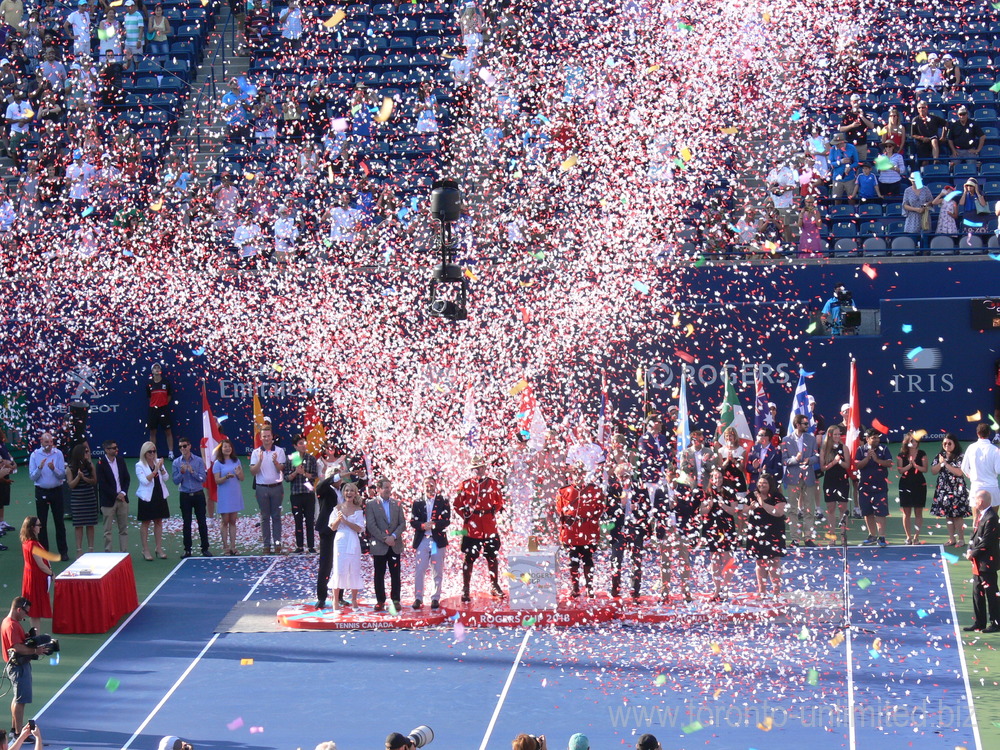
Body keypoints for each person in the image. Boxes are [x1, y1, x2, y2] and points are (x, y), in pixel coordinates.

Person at [454, 456, 505, 602]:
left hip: (489, 525)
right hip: (472, 526)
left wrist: (490, 514)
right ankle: (466, 588)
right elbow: (457, 504)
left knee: (492, 556)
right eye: (474, 468)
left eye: (480, 467)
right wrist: (466, 516)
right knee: (469, 558)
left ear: (484, 468)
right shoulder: (464, 485)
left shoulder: (493, 483)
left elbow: (499, 502)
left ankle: (494, 585)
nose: (477, 470)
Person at [2, 597, 54, 736]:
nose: (26, 615)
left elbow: (19, 642)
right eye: (25, 612)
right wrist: (35, 651)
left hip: (16, 666)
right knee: (21, 701)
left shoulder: (10, 622)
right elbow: (17, 647)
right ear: (19, 609)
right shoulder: (12, 625)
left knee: (17, 698)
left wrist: (29, 637)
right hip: (18, 667)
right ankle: (19, 733)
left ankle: (15, 729)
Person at [605, 463, 655, 599]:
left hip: (635, 530)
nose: (623, 479)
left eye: (626, 476)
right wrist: (621, 505)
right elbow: (608, 510)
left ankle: (635, 590)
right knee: (616, 560)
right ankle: (615, 589)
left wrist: (637, 507)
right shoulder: (613, 489)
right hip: (619, 531)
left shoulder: (640, 487)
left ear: (631, 475)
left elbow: (648, 507)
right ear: (616, 476)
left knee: (636, 561)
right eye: (620, 476)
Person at [555, 463, 605, 598]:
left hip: (588, 530)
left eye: (580, 473)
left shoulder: (594, 490)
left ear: (584, 474)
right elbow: (560, 510)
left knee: (588, 559)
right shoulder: (564, 491)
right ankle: (575, 587)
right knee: (573, 560)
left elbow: (599, 509)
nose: (578, 476)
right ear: (571, 475)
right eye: (575, 473)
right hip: (571, 531)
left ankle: (589, 587)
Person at [410, 475, 450, 610]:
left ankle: (435, 598)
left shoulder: (443, 501)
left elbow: (446, 520)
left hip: (437, 541)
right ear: (423, 486)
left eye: (431, 484)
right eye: (426, 484)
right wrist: (422, 526)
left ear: (436, 485)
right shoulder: (417, 502)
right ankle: (418, 597)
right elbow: (413, 521)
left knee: (437, 570)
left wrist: (433, 525)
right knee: (420, 570)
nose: (429, 487)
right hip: (422, 540)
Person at [365, 478, 404, 612]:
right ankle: (380, 600)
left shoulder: (397, 504)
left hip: (395, 544)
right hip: (379, 545)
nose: (388, 490)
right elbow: (370, 525)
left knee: (395, 574)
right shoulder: (371, 504)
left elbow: (402, 524)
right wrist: (384, 538)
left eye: (389, 487)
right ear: (379, 489)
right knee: (379, 574)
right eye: (385, 487)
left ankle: (396, 600)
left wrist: (393, 537)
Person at [698, 469, 738, 601]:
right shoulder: (707, 493)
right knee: (714, 560)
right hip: (712, 528)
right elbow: (701, 511)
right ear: (711, 479)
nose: (717, 480)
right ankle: (716, 590)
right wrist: (708, 507)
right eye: (715, 478)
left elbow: (734, 510)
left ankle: (725, 589)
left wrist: (723, 506)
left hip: (726, 528)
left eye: (720, 478)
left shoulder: (729, 492)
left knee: (727, 558)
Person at [964, 490, 1000, 633]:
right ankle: (979, 622)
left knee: (991, 593)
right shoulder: (982, 516)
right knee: (977, 592)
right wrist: (969, 549)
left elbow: (987, 541)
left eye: (976, 499)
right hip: (979, 563)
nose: (974, 502)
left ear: (981, 502)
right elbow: (975, 537)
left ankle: (996, 623)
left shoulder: (991, 517)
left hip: (987, 563)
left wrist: (973, 553)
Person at [746, 474, 786, 597]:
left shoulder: (777, 497)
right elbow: (743, 511)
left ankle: (776, 592)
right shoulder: (752, 496)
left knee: (774, 561)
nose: (761, 485)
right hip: (757, 532)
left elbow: (778, 512)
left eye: (765, 483)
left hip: (774, 532)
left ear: (770, 485)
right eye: (760, 483)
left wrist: (762, 503)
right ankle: (761, 591)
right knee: (760, 562)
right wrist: (750, 508)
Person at [28, 433, 67, 562]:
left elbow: (62, 476)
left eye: (51, 442)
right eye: (46, 442)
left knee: (59, 522)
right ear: (41, 442)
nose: (49, 445)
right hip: (41, 491)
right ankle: (45, 553)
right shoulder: (34, 455)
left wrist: (53, 468)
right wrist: (40, 467)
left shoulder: (58, 454)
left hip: (57, 491)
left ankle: (63, 552)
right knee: (41, 523)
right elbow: (33, 477)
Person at [781, 414, 818, 546]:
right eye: (805, 424)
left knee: (809, 508)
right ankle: (795, 538)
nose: (807, 426)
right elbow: (784, 460)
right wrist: (795, 459)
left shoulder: (811, 438)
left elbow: (816, 456)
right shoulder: (786, 440)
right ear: (797, 425)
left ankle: (808, 537)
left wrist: (810, 460)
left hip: (808, 477)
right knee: (792, 509)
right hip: (793, 478)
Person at [249, 426, 286, 554]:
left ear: (272, 437)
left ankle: (277, 544)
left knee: (276, 517)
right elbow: (253, 472)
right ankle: (266, 546)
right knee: (264, 517)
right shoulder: (255, 452)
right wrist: (260, 460)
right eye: (264, 436)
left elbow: (281, 469)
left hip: (276, 488)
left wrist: (275, 462)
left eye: (268, 436)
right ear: (260, 438)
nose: (266, 438)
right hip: (261, 488)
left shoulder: (280, 451)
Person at [172, 437, 210, 558]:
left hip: (198, 494)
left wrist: (192, 471)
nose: (182, 449)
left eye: (184, 446)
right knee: (186, 523)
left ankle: (205, 548)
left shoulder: (198, 461)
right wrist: (182, 473)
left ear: (189, 446)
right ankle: (187, 549)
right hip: (185, 495)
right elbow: (175, 480)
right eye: (180, 447)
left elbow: (203, 479)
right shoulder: (176, 462)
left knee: (202, 522)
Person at [19, 518, 59, 631]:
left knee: (33, 610)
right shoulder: (33, 544)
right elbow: (40, 564)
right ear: (32, 527)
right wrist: (52, 574)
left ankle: (35, 634)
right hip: (35, 579)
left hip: (30, 577)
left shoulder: (27, 542)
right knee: (35, 610)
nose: (40, 526)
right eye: (38, 525)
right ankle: (36, 636)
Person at [931, 434, 970, 546]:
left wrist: (945, 464)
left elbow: (959, 472)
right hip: (943, 489)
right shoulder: (940, 456)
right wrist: (940, 463)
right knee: (948, 515)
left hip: (957, 489)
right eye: (945, 443)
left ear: (954, 444)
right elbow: (933, 471)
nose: (947, 445)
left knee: (958, 515)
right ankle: (952, 539)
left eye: (949, 443)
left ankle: (961, 539)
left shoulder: (960, 456)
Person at [855, 429, 893, 547]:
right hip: (865, 487)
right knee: (867, 512)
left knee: (880, 512)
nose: (876, 439)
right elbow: (857, 465)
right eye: (873, 437)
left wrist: (877, 460)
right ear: (867, 439)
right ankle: (872, 535)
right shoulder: (861, 450)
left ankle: (881, 537)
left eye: (877, 437)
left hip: (880, 486)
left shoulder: (884, 449)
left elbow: (890, 463)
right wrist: (867, 459)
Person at [331, 482, 366, 611]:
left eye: (351, 491)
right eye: (346, 491)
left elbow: (359, 528)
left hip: (353, 541)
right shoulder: (337, 508)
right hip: (340, 540)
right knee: (339, 569)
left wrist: (346, 521)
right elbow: (333, 527)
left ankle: (354, 599)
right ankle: (335, 600)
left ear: (355, 493)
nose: (349, 493)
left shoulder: (358, 510)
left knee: (354, 569)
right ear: (343, 493)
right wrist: (338, 520)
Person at [135, 441, 170, 561]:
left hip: (159, 494)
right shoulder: (139, 465)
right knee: (146, 523)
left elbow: (166, 478)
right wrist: (155, 470)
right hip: (147, 497)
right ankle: (145, 549)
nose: (152, 453)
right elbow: (145, 481)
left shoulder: (158, 462)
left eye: (154, 451)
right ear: (144, 453)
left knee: (159, 521)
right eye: (150, 451)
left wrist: (161, 469)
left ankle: (159, 548)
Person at [284, 434, 318, 554]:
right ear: (295, 446)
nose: (303, 446)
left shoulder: (311, 458)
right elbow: (287, 478)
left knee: (309, 521)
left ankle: (311, 546)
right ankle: (299, 546)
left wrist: (304, 473)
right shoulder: (291, 458)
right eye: (300, 443)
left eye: (304, 443)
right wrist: (295, 472)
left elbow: (314, 476)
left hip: (308, 494)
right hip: (296, 494)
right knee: (298, 521)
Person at [96, 439, 130, 553]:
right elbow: (102, 484)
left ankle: (124, 552)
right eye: (114, 448)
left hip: (122, 499)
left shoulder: (120, 460)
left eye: (116, 447)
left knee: (123, 528)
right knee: (107, 530)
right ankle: (108, 553)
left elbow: (126, 478)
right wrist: (116, 495)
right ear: (106, 450)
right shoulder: (100, 464)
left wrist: (123, 493)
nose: (116, 450)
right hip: (108, 501)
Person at [66, 442, 98, 558]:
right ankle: (79, 550)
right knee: (79, 525)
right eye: (86, 452)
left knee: (90, 524)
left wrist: (84, 478)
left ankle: (91, 549)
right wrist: (78, 477)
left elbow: (94, 481)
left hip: (89, 497)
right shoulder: (70, 468)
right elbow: (71, 485)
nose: (88, 454)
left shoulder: (90, 465)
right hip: (77, 499)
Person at [212, 439, 244, 556]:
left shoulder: (237, 461)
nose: (227, 449)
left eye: (229, 447)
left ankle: (233, 546)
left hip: (235, 493)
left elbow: (242, 478)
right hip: (224, 495)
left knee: (233, 521)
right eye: (225, 447)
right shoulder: (218, 463)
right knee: (225, 520)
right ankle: (225, 547)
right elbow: (217, 481)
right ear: (221, 449)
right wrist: (226, 477)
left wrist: (238, 473)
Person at [897, 431, 928, 545]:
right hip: (905, 484)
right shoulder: (901, 455)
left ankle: (916, 537)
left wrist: (915, 466)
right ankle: (908, 537)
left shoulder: (922, 453)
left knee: (918, 512)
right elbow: (900, 470)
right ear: (907, 443)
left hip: (919, 484)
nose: (914, 443)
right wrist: (909, 465)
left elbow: (925, 469)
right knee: (906, 513)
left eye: (915, 441)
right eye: (911, 441)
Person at [962, 423, 1000, 507]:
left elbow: (964, 467)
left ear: (977, 433)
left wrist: (971, 476)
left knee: (976, 519)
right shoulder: (995, 450)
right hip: (992, 488)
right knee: (993, 519)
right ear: (989, 433)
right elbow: (998, 470)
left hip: (976, 487)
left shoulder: (971, 448)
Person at [820, 425, 850, 529]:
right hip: (830, 481)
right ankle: (832, 534)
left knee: (843, 509)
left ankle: (843, 536)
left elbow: (847, 465)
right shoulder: (824, 449)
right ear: (830, 435)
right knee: (831, 509)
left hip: (842, 481)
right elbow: (823, 468)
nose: (838, 436)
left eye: (839, 434)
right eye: (835, 434)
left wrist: (840, 461)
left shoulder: (844, 447)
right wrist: (834, 462)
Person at [146, 364, 175, 460]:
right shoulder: (149, 384)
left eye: (158, 368)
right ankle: (152, 453)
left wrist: (163, 404)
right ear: (152, 371)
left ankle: (170, 452)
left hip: (164, 409)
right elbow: (149, 397)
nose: (157, 369)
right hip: (153, 410)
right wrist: (155, 404)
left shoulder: (166, 383)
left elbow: (169, 396)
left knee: (168, 431)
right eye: (155, 368)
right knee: (152, 432)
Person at [638, 415, 669, 496]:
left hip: (664, 478)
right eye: (659, 422)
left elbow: (669, 455)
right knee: (652, 505)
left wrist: (662, 458)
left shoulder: (662, 438)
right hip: (651, 478)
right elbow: (649, 459)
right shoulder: (644, 439)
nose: (661, 424)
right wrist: (663, 458)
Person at [839, 94, 875, 162]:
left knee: (861, 163)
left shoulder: (864, 114)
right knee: (849, 163)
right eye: (854, 101)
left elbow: (872, 126)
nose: (855, 103)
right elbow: (841, 129)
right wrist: (851, 126)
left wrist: (862, 116)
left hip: (862, 145)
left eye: (857, 101)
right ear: (851, 102)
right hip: (850, 144)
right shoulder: (847, 115)